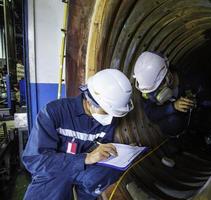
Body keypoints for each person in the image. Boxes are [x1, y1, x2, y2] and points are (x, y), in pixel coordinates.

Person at [22, 69, 134, 200]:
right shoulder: (54, 112)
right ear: (90, 101)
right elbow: (35, 161)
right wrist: (85, 158)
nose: (110, 118)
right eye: (107, 112)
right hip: (53, 173)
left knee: (107, 173)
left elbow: (102, 150)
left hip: (84, 171)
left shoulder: (109, 118)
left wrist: (124, 153)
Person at [133, 51, 195, 167]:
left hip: (196, 118)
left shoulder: (187, 76)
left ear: (168, 75)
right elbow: (151, 114)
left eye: (159, 86)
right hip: (177, 127)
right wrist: (172, 107)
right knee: (172, 122)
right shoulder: (147, 91)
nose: (155, 94)